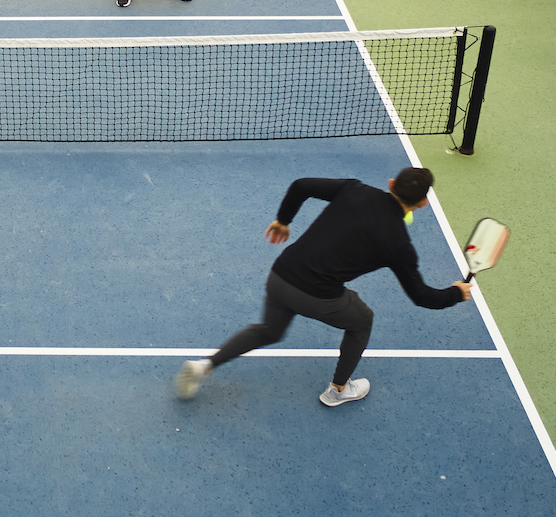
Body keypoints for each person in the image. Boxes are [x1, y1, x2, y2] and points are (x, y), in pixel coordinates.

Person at [175, 167, 472, 407]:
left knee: (270, 330)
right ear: (423, 202)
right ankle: (338, 390)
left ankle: (204, 366)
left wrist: (283, 220)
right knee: (362, 320)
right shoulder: (400, 245)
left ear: (391, 182)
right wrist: (456, 293)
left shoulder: (354, 189)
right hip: (317, 296)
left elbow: (301, 185)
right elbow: (421, 296)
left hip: (280, 275)